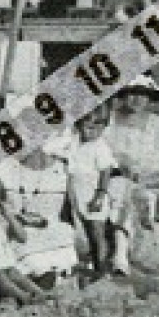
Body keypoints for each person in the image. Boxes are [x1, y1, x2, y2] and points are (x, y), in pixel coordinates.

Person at [103, 72, 159, 290]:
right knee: (121, 190)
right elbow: (101, 152)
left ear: (150, 98)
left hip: (150, 181)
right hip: (115, 179)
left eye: (143, 95)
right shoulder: (110, 120)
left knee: (137, 195)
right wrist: (119, 165)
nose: (137, 100)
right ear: (123, 94)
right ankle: (119, 254)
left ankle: (129, 253)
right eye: (132, 94)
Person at [0, 135, 81, 286]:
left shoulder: (61, 169)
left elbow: (73, 212)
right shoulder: (2, 168)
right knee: (22, 244)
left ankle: (54, 276)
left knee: (64, 231)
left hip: (50, 229)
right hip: (16, 229)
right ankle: (42, 277)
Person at [67, 105, 119, 279]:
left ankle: (102, 266)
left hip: (93, 194)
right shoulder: (73, 141)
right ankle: (84, 264)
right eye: (89, 127)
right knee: (81, 232)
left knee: (97, 232)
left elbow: (106, 171)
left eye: (99, 128)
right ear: (79, 125)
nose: (93, 132)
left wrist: (100, 194)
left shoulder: (100, 146)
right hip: (76, 193)